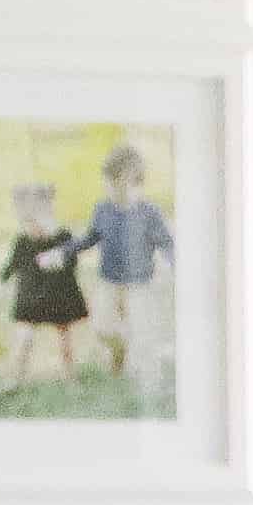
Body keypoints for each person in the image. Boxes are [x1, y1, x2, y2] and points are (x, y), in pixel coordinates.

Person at [79, 138, 174, 389]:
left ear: (124, 179)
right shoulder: (103, 209)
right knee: (102, 327)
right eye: (106, 181)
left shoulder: (148, 213)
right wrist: (62, 253)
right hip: (108, 280)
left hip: (139, 283)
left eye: (109, 180)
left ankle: (151, 383)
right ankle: (123, 349)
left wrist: (178, 266)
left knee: (144, 330)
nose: (106, 186)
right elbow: (89, 238)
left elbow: (167, 243)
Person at [0, 175, 94, 391]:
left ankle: (70, 377)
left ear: (48, 215)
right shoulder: (22, 241)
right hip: (31, 297)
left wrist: (59, 259)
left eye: (36, 221)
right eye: (27, 223)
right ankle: (15, 378)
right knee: (23, 338)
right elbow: (12, 265)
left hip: (59, 294)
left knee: (64, 339)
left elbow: (72, 258)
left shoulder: (61, 236)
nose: (32, 228)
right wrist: (0, 282)